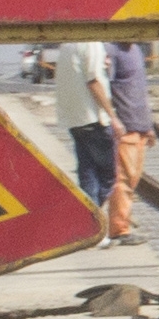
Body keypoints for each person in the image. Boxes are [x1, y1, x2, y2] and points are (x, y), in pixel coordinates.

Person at [58, 37, 116, 215]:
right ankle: (95, 221)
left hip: (75, 120)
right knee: (109, 175)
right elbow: (93, 81)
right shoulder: (92, 42)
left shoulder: (67, 45)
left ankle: (90, 225)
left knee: (88, 175)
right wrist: (114, 117)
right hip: (94, 119)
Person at [103, 40, 153, 243]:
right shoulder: (111, 50)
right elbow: (104, 87)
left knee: (132, 180)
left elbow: (140, 90)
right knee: (122, 181)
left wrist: (149, 126)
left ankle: (122, 221)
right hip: (125, 127)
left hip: (139, 126)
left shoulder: (136, 50)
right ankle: (119, 228)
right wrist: (113, 121)